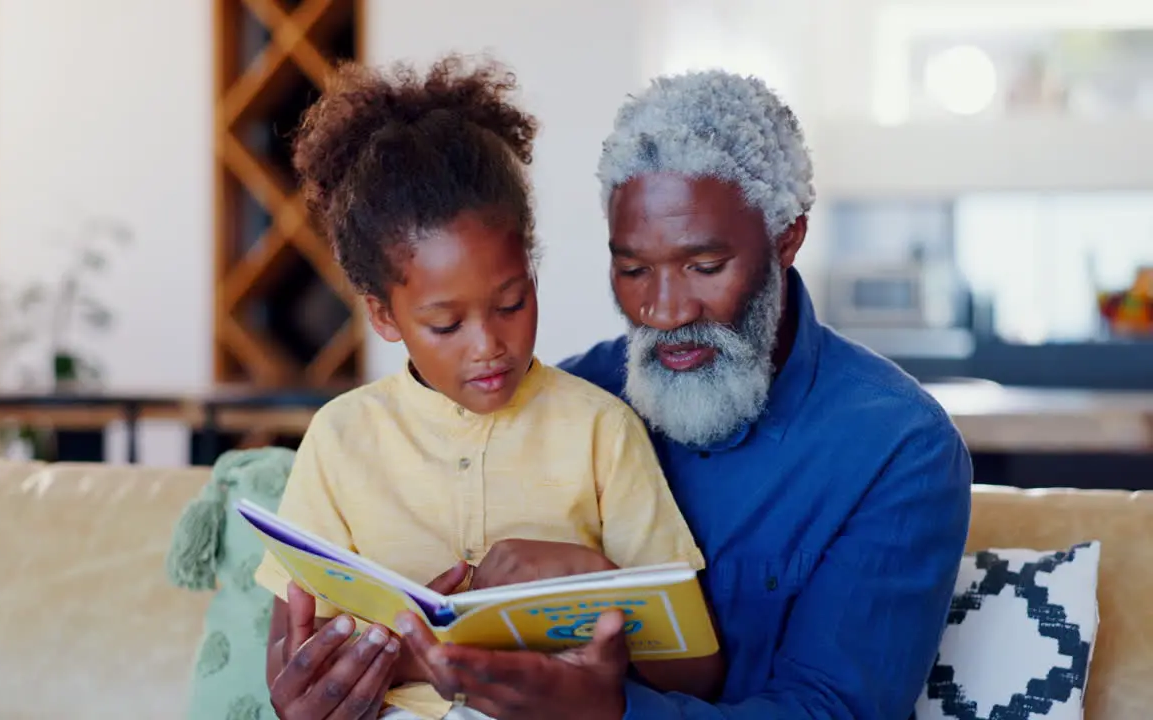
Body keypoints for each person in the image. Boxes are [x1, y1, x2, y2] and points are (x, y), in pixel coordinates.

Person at [385, 70, 975, 719]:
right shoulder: (567, 399)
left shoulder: (897, 446)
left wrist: (611, 712)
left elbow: (831, 711)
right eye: (633, 270)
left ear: (787, 238)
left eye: (704, 267)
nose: (662, 311)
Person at [255, 55, 722, 720]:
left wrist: (587, 576)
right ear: (383, 314)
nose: (489, 345)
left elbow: (694, 675)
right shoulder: (342, 438)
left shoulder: (599, 431)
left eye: (511, 303)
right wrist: (310, 691)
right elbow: (289, 659)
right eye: (445, 323)